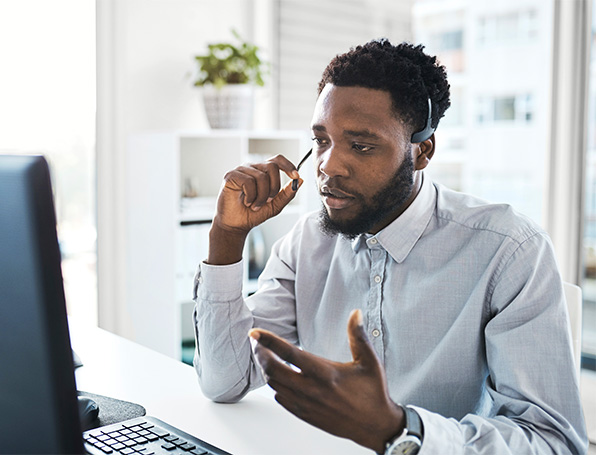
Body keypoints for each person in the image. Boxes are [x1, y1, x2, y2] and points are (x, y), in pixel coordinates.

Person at [192, 39, 588, 454]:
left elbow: (553, 442)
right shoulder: (305, 243)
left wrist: (400, 429)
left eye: (361, 146)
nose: (329, 166)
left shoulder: (508, 250)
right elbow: (225, 380)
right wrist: (226, 236)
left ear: (422, 152)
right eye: (322, 140)